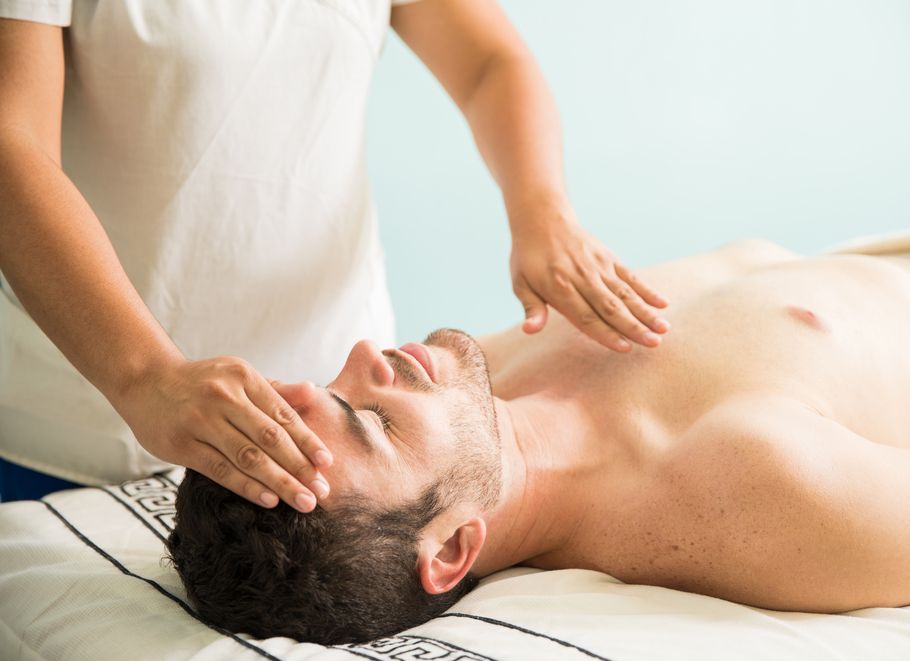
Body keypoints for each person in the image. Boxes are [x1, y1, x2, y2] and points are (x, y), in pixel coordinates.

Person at [167, 217, 910, 645]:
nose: (365, 353)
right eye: (374, 419)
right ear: (453, 547)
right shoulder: (744, 484)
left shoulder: (483, 386)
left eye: (328, 387)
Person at [0, 1, 666, 506]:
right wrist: (144, 376)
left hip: (332, 443)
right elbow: (11, 143)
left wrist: (541, 208)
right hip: (81, 416)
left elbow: (488, 61)